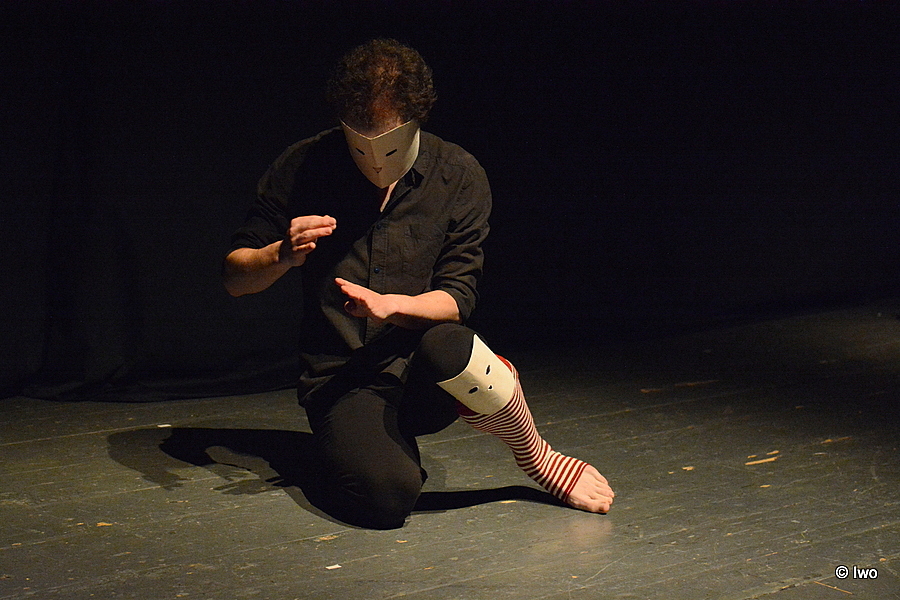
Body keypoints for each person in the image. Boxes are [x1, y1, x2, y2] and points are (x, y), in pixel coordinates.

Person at [223, 38, 614, 529]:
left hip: (426, 373)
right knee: (386, 501)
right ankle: (365, 444)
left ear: (416, 120)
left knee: (450, 345)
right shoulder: (304, 164)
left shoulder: (457, 174)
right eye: (359, 141)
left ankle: (534, 453)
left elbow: (457, 297)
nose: (375, 161)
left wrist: (392, 307)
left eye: (389, 142)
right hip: (346, 379)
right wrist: (280, 253)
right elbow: (235, 278)